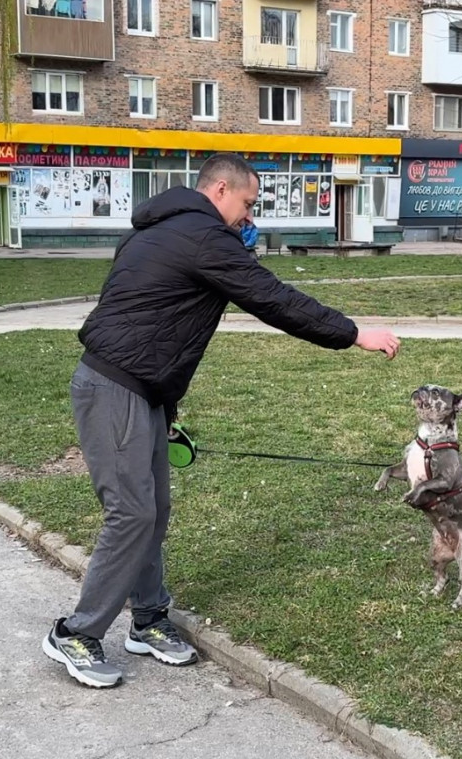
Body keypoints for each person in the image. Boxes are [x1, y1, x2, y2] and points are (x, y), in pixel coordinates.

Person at [44, 152, 401, 689]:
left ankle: (148, 618)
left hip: (141, 391)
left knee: (153, 510)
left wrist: (164, 404)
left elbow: (156, 320)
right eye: (247, 204)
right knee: (132, 514)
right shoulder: (203, 236)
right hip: (113, 387)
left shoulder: (161, 230)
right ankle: (76, 632)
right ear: (219, 191)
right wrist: (353, 333)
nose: (248, 218)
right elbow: (272, 298)